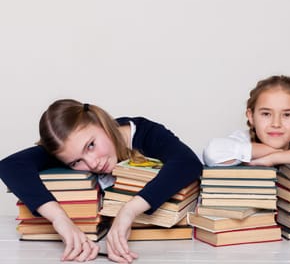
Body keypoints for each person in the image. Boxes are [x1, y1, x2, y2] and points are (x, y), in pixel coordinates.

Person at [0, 99, 203, 263]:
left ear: (101, 121)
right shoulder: (67, 149)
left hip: (167, 246)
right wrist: (59, 219)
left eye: (90, 145)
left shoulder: (146, 133)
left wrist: (129, 210)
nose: (92, 163)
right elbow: (10, 166)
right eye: (76, 162)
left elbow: (187, 163)